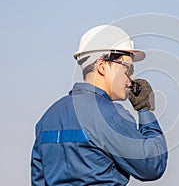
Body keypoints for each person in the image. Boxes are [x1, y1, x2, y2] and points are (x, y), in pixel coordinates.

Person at [31, 25, 168, 185]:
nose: (131, 78)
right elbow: (152, 165)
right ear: (102, 66)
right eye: (128, 68)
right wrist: (145, 111)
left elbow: (38, 180)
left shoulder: (48, 118)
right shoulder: (111, 115)